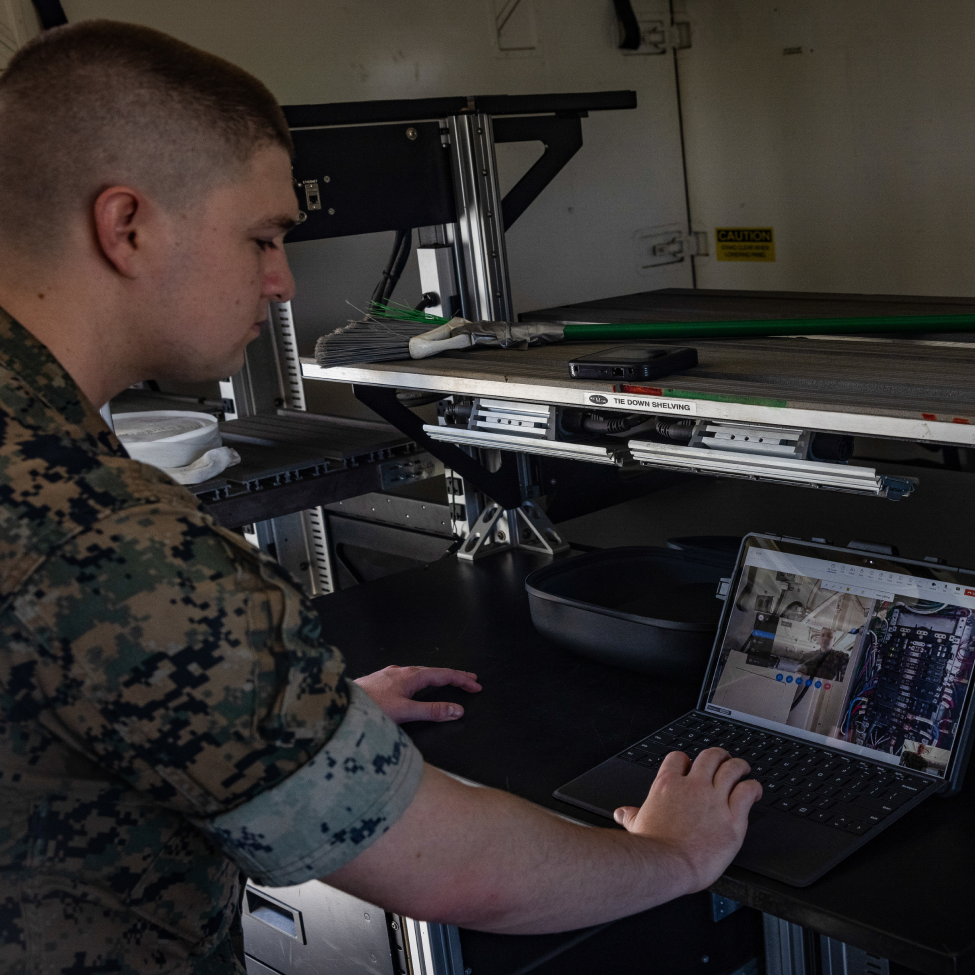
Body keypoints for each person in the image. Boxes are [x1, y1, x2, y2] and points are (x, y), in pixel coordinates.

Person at [0, 20, 761, 975]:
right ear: (128, 227)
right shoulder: (107, 537)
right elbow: (456, 872)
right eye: (263, 236)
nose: (281, 284)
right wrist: (672, 854)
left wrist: (278, 713)